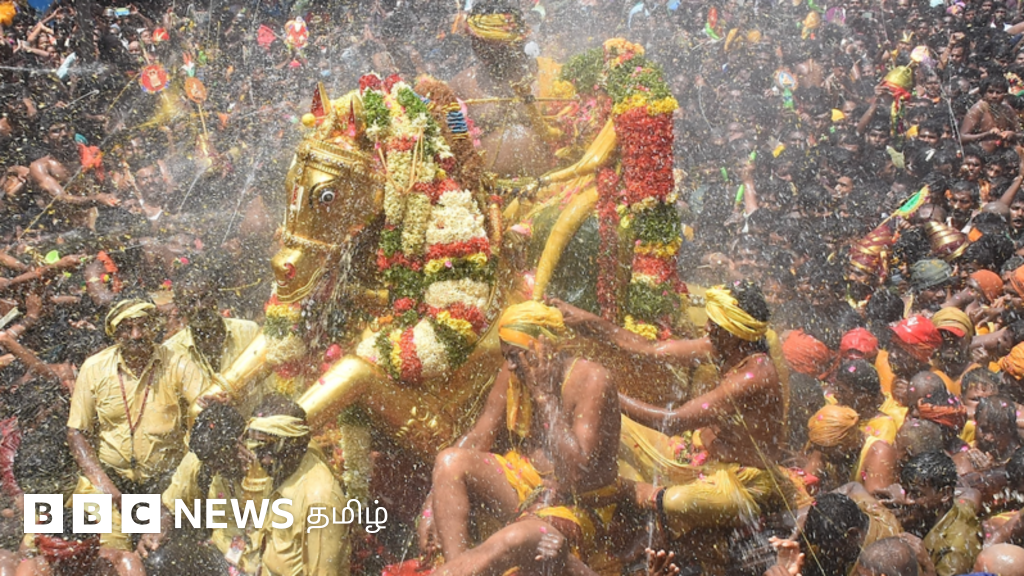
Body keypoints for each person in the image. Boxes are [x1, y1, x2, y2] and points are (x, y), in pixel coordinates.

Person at [426, 300, 620, 575]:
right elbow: (480, 435)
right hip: (525, 480)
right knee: (449, 462)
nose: (510, 366)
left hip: (579, 502)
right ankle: (456, 567)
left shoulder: (592, 379)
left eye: (515, 356)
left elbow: (575, 473)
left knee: (515, 539)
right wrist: (430, 507)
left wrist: (544, 396)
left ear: (548, 348)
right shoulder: (515, 369)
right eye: (506, 356)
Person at [67, 298, 208, 551]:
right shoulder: (94, 368)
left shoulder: (177, 363)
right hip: (111, 484)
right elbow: (77, 433)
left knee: (158, 557)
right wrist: (107, 489)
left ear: (154, 327)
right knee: (109, 556)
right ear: (114, 332)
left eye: (143, 326)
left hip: (164, 485)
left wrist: (167, 507)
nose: (136, 335)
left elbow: (207, 417)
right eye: (126, 327)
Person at [137, 403, 247, 574]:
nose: (215, 468)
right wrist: (156, 532)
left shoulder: (267, 463)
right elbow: (169, 508)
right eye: (209, 462)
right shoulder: (201, 461)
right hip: (221, 553)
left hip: (260, 559)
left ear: (240, 441)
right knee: (157, 559)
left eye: (220, 460)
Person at [245, 395, 348, 576]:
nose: (265, 459)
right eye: (260, 449)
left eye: (272, 449)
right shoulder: (282, 469)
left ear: (297, 445)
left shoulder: (320, 502)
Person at [893, 451, 981, 576]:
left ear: (945, 494)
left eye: (917, 494)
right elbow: (972, 494)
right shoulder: (951, 507)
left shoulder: (956, 550)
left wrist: (926, 564)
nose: (907, 501)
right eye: (905, 492)